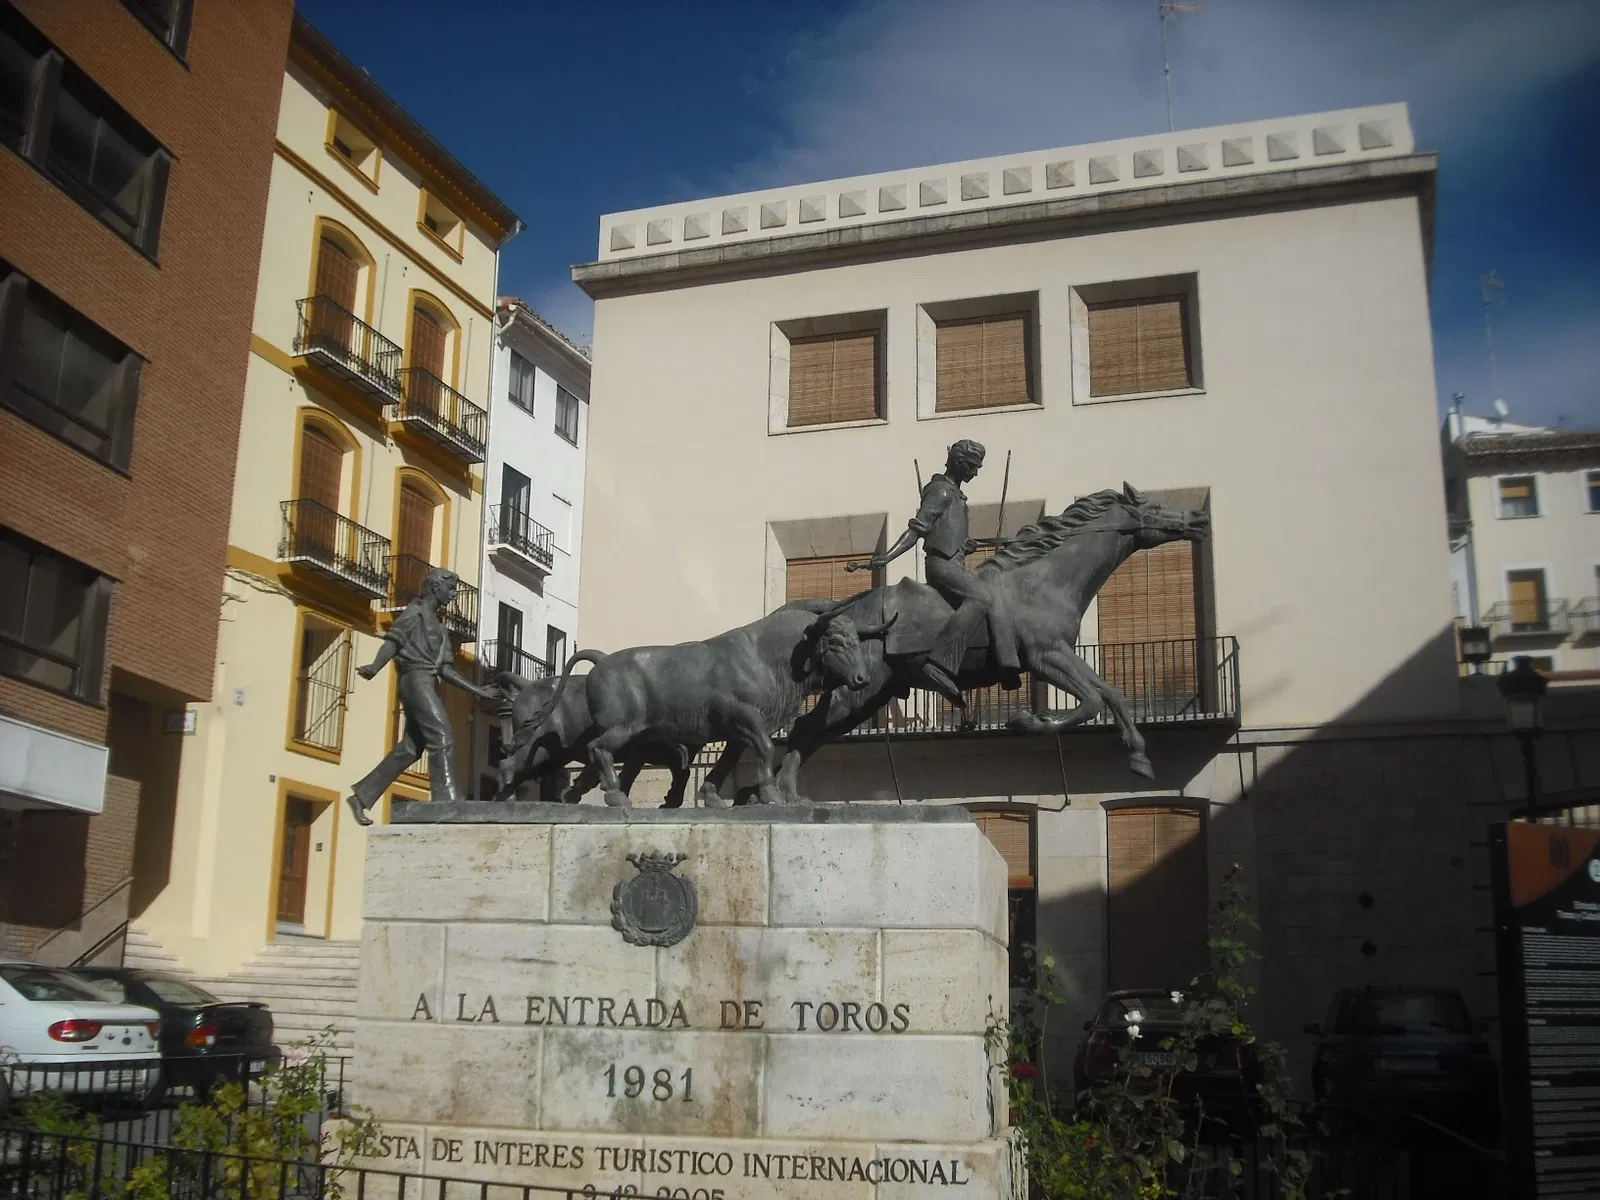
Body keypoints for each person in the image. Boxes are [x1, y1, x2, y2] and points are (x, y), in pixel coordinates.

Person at [848, 439, 1021, 698]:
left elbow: (945, 534)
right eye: (973, 467)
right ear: (960, 463)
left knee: (994, 590)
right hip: (941, 566)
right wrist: (888, 556)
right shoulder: (940, 492)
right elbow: (917, 530)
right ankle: (940, 661)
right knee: (981, 597)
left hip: (956, 562)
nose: (975, 473)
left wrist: (964, 545)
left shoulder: (955, 494)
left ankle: (1007, 665)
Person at [346, 567, 501, 826]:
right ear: (434, 587)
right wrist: (375, 667)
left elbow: (445, 669)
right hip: (414, 680)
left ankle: (362, 796)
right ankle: (447, 800)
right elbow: (392, 642)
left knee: (410, 748)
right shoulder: (414, 613)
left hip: (428, 681)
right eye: (450, 589)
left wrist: (478, 690)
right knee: (442, 736)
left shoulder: (441, 629)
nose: (453, 595)